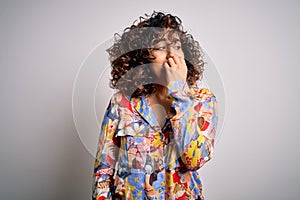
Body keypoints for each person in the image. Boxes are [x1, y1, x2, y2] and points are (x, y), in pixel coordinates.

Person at [92, 11, 218, 200]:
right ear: (142, 58)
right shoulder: (121, 103)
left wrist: (180, 92)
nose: (172, 54)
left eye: (177, 45)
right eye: (161, 47)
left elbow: (195, 159)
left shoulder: (203, 100)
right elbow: (103, 170)